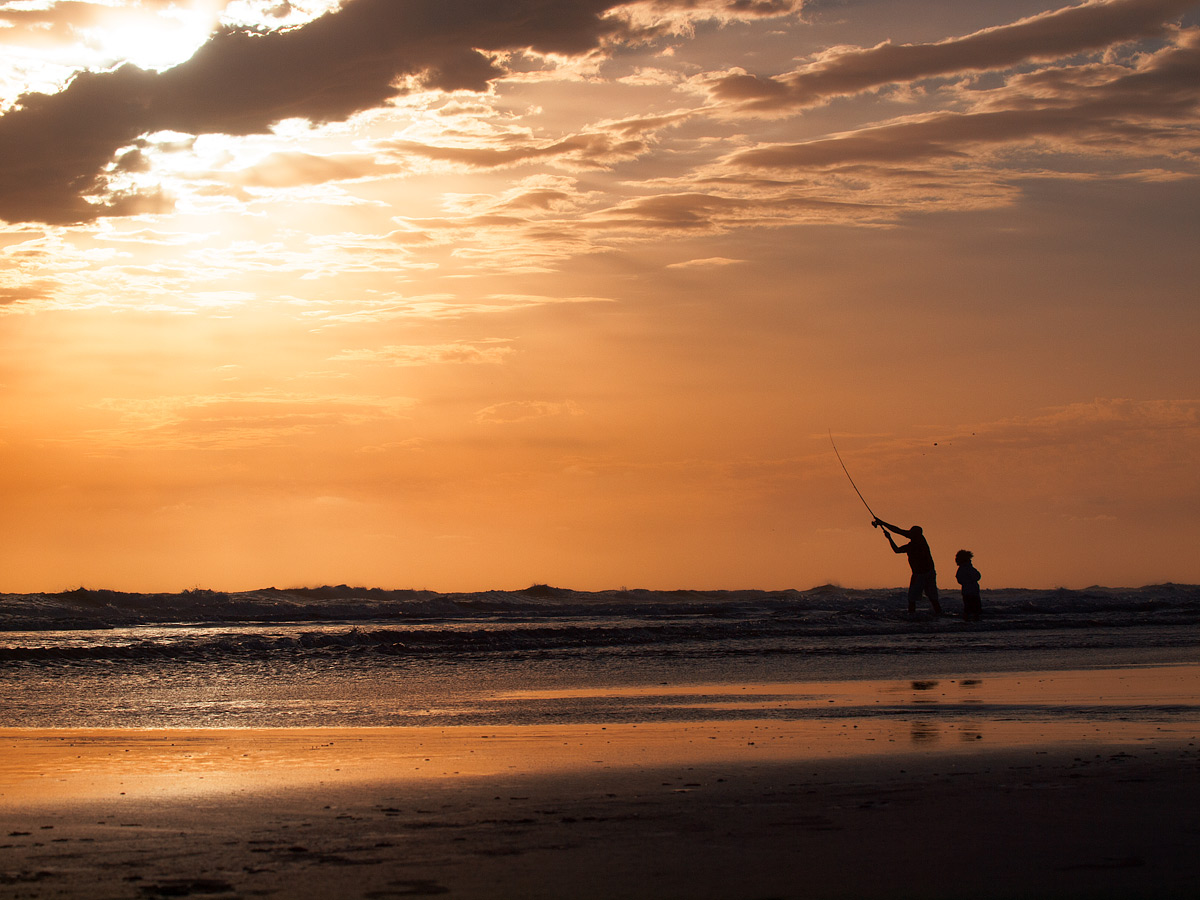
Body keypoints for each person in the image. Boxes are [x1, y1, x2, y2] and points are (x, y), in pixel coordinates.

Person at [873, 517, 942, 615]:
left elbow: (896, 549)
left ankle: (912, 616)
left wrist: (889, 538)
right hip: (930, 572)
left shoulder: (911, 546)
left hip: (918, 574)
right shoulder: (922, 540)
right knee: (933, 597)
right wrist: (882, 523)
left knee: (912, 598)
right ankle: (939, 614)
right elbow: (898, 530)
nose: (909, 534)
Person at [956, 550, 982, 622]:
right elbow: (977, 576)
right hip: (973, 591)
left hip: (966, 591)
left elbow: (959, 579)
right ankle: (975, 619)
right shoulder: (969, 568)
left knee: (967, 607)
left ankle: (967, 619)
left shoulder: (961, 569)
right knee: (976, 608)